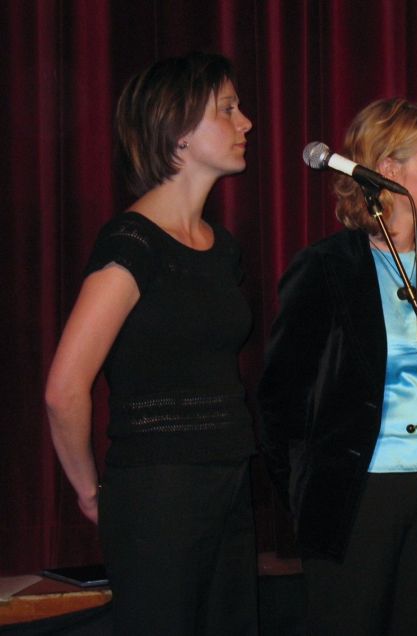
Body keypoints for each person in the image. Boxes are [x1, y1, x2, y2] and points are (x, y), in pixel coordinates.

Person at [258, 97, 417, 635]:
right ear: (388, 169)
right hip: (355, 492)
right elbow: (280, 398)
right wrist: (304, 489)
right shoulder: (325, 266)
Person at [44, 52, 257, 635]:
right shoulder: (132, 243)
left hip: (229, 477)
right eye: (228, 109)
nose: (245, 122)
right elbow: (65, 389)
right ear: (178, 131)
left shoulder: (221, 247)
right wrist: (91, 492)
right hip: (159, 490)